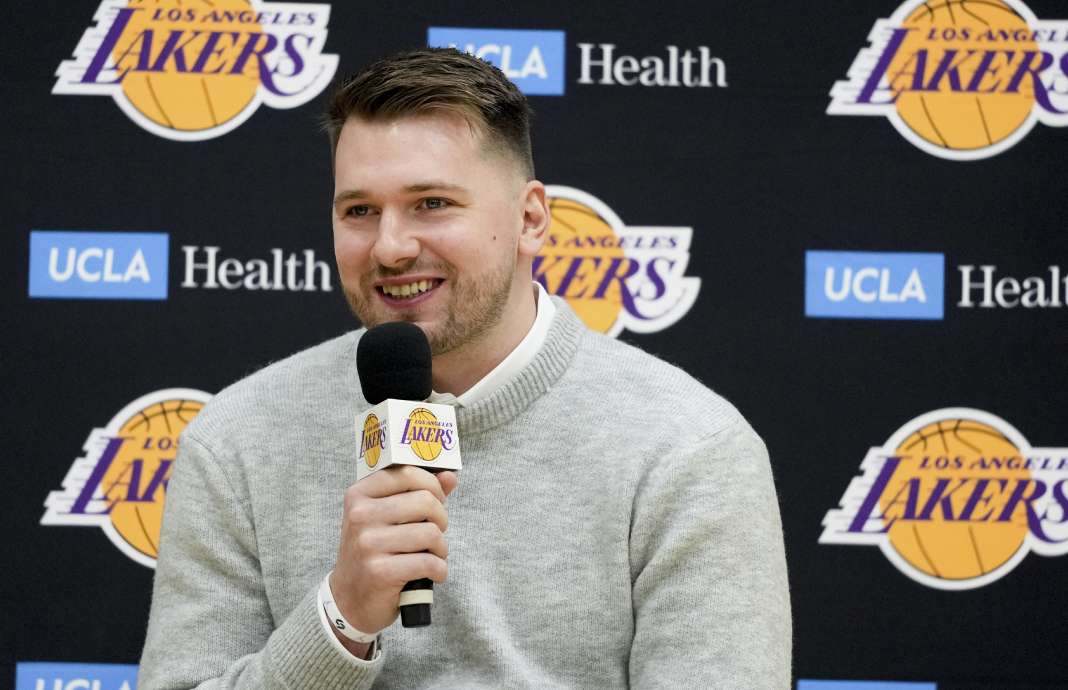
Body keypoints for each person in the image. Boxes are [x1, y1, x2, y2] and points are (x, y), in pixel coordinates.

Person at [139, 47, 791, 689]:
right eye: (360, 211)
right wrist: (340, 617)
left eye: (432, 203)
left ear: (530, 219)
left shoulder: (690, 448)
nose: (391, 247)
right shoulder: (236, 439)